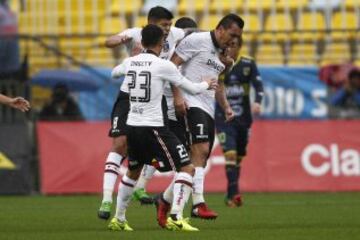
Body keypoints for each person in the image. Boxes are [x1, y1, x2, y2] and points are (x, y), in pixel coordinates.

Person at [108, 24, 217, 231]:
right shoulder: (163, 65)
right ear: (161, 43)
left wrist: (131, 64)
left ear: (142, 42)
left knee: (133, 171)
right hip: (154, 128)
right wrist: (207, 83)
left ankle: (119, 219)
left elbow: (115, 73)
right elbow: (192, 88)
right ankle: (176, 216)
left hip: (132, 126)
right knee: (187, 167)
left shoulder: (130, 62)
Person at [155, 13, 244, 223]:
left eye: (237, 37)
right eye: (232, 34)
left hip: (207, 107)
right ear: (220, 29)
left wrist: (226, 107)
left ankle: (165, 200)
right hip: (190, 101)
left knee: (198, 159)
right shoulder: (197, 40)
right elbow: (172, 66)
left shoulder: (222, 51)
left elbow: (217, 83)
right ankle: (197, 204)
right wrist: (177, 96)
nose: (233, 40)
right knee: (201, 150)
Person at [98, 6, 185, 219]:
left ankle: (137, 189)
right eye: (163, 25)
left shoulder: (176, 34)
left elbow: (193, 33)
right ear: (151, 23)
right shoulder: (135, 33)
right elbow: (108, 42)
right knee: (120, 144)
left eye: (169, 24)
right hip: (130, 96)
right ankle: (107, 199)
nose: (168, 29)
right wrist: (123, 43)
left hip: (157, 99)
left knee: (149, 148)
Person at [215, 37, 263, 207]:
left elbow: (259, 86)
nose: (230, 48)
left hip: (244, 119)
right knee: (230, 154)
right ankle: (235, 193)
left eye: (233, 45)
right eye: (227, 45)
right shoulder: (218, 63)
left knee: (238, 158)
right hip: (223, 119)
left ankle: (230, 195)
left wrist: (257, 101)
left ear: (240, 47)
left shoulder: (248, 64)